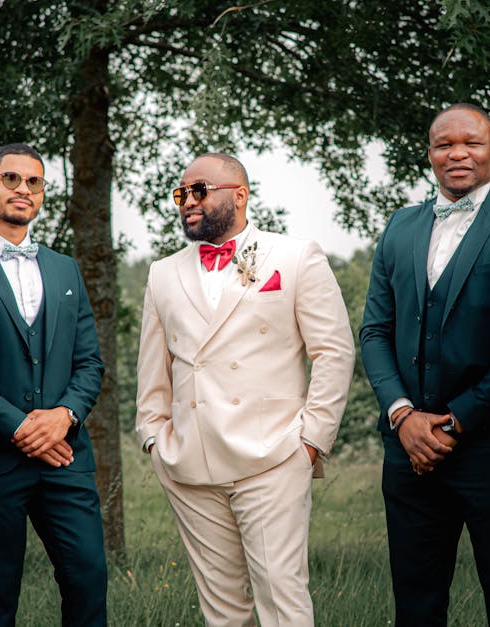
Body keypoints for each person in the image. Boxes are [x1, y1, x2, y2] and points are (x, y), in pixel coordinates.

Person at [135, 152, 355, 626]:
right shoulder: (162, 273)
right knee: (222, 611)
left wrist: (311, 442)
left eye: (199, 190)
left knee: (282, 601)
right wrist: (154, 437)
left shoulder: (295, 256)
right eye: (181, 193)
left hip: (274, 456)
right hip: (190, 463)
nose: (188, 201)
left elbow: (334, 352)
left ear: (239, 195)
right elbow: (154, 369)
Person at [359, 103, 490, 626]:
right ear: (430, 154)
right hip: (407, 449)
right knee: (416, 604)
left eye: (471, 143)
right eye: (445, 145)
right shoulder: (400, 226)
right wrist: (403, 415)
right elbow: (375, 331)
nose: (457, 153)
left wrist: (455, 420)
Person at [0, 143, 106, 626]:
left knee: (88, 579)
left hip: (66, 457)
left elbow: (89, 362)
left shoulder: (64, 268)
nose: (23, 189)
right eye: (11, 178)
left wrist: (64, 416)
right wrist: (18, 426)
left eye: (34, 182)